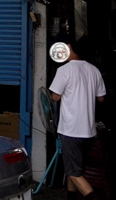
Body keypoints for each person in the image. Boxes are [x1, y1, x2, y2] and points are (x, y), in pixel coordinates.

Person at [49, 37, 106, 199]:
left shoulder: (65, 70)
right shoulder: (94, 70)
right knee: (74, 170)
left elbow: (55, 97)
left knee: (74, 173)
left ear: (70, 47)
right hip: (88, 131)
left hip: (71, 130)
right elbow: (101, 98)